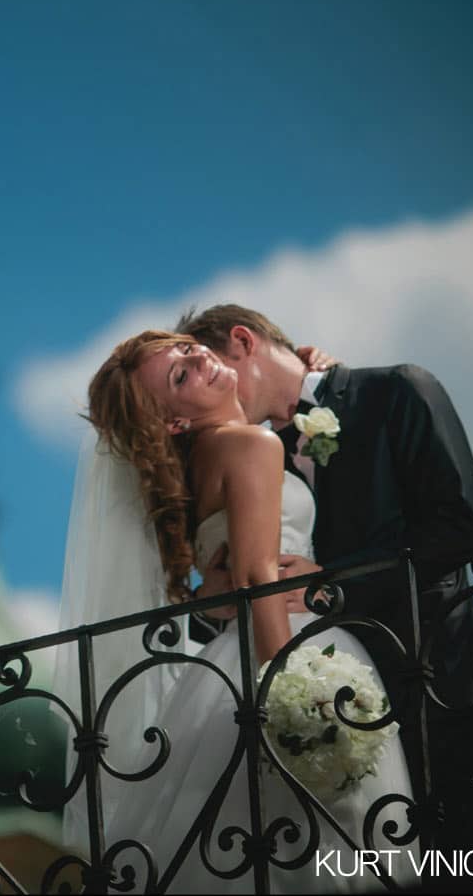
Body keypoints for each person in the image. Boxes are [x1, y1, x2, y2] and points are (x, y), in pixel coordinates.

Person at [56, 330, 415, 893]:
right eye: (179, 375)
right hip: (287, 646)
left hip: (223, 669)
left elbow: (224, 583)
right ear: (173, 423)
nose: (196, 356)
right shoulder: (252, 445)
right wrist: (295, 691)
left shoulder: (198, 466)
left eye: (183, 348)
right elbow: (254, 578)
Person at [178, 303, 473, 844]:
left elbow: (458, 527)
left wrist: (331, 581)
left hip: (425, 672)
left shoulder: (396, 390)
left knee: (450, 858)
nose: (218, 393)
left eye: (216, 366)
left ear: (243, 341)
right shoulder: (253, 451)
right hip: (319, 686)